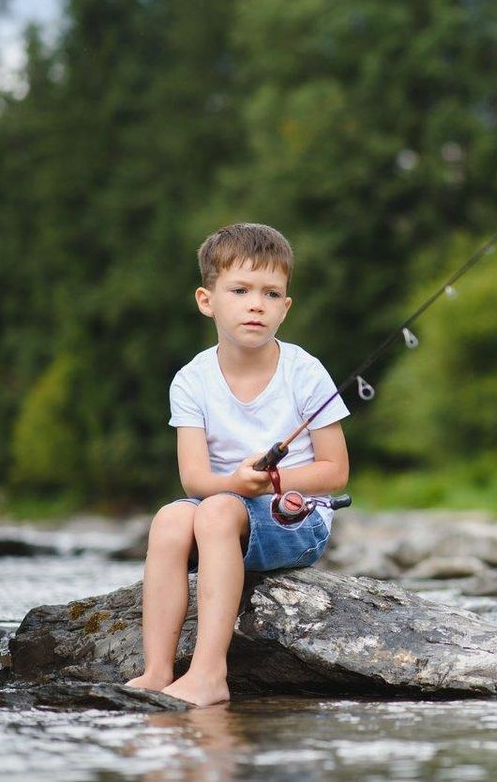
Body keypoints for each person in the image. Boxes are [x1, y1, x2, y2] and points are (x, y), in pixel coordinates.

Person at [125, 223, 350, 707]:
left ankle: (209, 672)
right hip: (222, 504)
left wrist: (269, 481)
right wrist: (235, 482)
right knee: (170, 517)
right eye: (241, 290)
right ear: (207, 300)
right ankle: (157, 670)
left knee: (216, 512)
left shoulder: (305, 372)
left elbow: (335, 470)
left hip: (294, 518)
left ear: (286, 307)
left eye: (272, 293)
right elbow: (195, 479)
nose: (257, 304)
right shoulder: (191, 380)